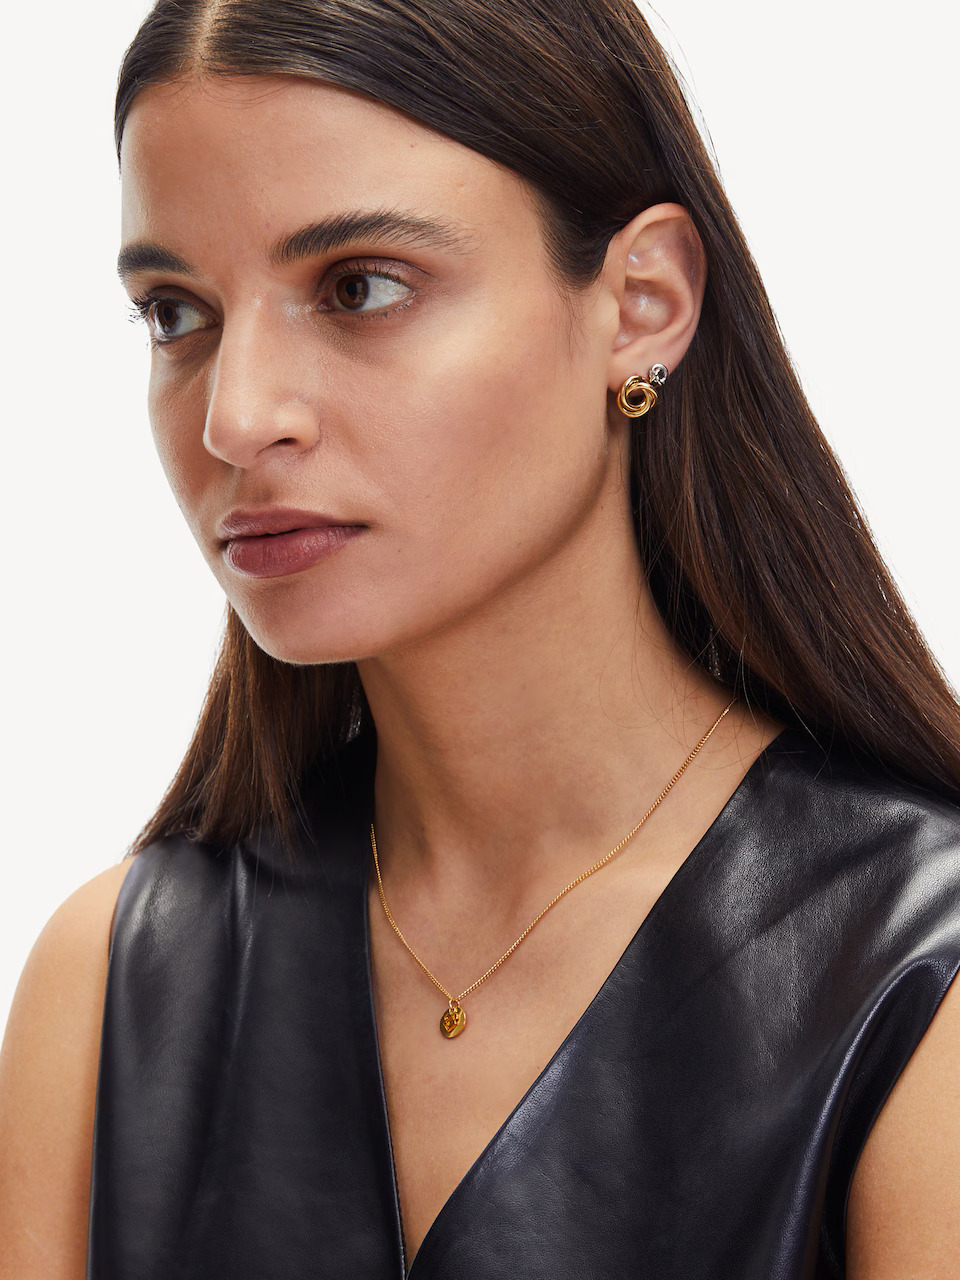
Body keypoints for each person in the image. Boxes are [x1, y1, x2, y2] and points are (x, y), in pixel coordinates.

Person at [1, 0, 959, 1275]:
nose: (236, 416)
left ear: (642, 302)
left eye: (359, 287)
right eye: (177, 313)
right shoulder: (112, 991)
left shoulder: (916, 983)